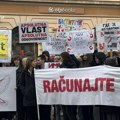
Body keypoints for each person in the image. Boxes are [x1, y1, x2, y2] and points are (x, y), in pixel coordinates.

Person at [60, 52, 77, 120]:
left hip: (71, 90)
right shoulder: (62, 65)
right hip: (64, 91)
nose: (60, 59)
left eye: (61, 57)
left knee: (71, 111)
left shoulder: (72, 65)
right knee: (65, 111)